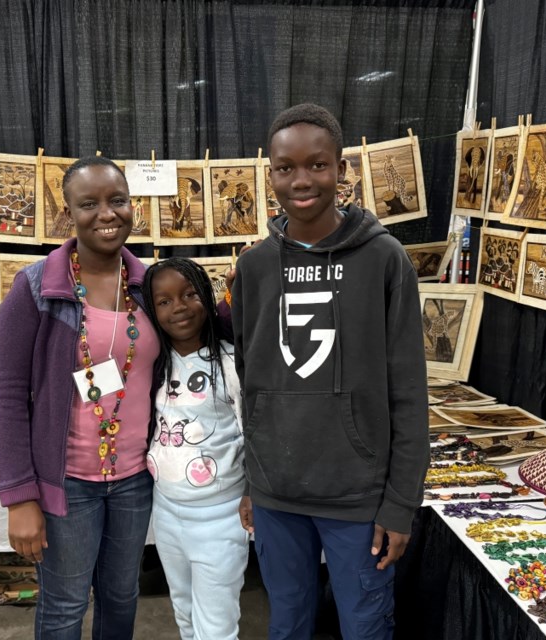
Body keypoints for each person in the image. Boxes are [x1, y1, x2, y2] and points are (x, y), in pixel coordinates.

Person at [230, 103, 429, 640]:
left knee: (365, 627)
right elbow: (251, 384)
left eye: (318, 165)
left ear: (342, 170)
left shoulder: (385, 260)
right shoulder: (252, 267)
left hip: (358, 500)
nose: (301, 179)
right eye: (285, 167)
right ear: (268, 173)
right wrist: (253, 481)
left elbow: (409, 392)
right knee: (288, 624)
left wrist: (400, 503)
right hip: (277, 497)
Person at [0, 157, 160, 640]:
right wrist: (19, 497)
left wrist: (238, 296)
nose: (107, 213)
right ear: (68, 214)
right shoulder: (37, 288)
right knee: (65, 605)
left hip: (134, 481)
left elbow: (201, 342)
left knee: (122, 597)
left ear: (133, 207)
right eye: (89, 204)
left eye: (118, 200)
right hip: (67, 483)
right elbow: (6, 399)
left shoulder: (149, 288)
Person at [141, 257, 247, 640]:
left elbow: (253, 432)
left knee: (216, 626)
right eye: (164, 301)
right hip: (167, 513)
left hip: (220, 519)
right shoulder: (153, 365)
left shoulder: (231, 364)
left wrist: (252, 491)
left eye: (189, 294)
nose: (179, 307)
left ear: (207, 296)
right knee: (184, 614)